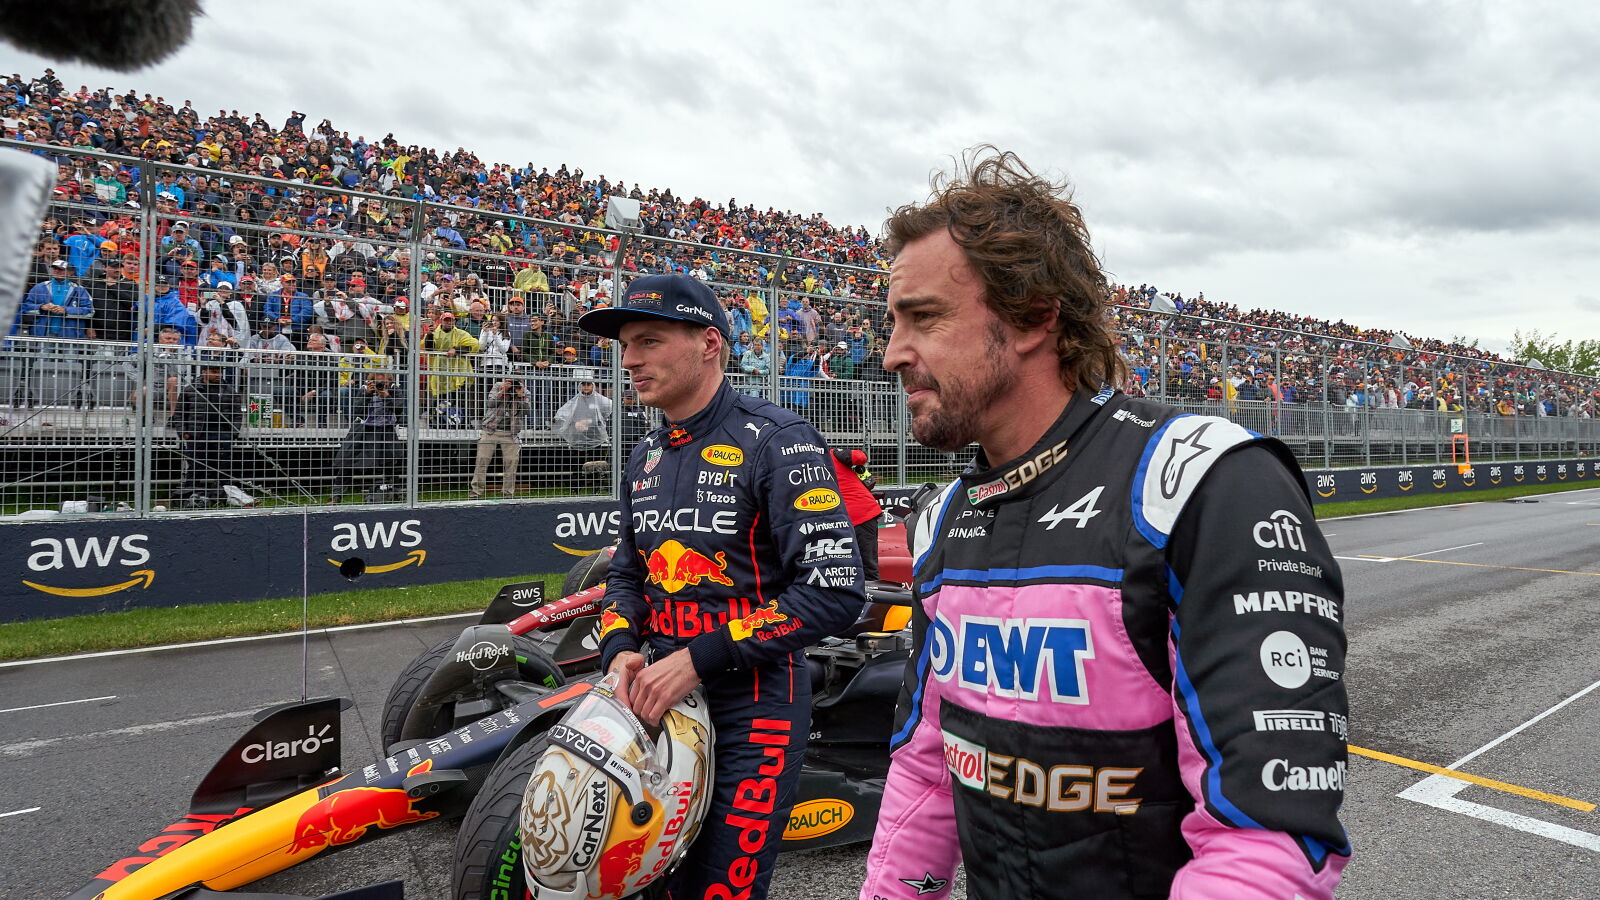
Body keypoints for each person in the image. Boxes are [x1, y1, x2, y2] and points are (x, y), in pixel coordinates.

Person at [859, 151, 1349, 900]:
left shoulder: (1199, 482)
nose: (892, 352)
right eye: (893, 322)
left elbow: (1266, 839)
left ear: (1033, 316)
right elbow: (927, 771)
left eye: (923, 317)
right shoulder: (944, 520)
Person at [577, 273, 866, 900]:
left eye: (649, 341)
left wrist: (697, 659)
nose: (629, 361)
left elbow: (835, 591)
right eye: (625, 346)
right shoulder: (645, 455)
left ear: (709, 343)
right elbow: (626, 573)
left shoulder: (780, 439)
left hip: (754, 707)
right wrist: (619, 649)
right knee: (640, 880)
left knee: (719, 888)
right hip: (656, 698)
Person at [170, 358, 242, 508]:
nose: (218, 375)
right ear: (204, 372)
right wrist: (184, 433)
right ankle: (189, 497)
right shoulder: (190, 390)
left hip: (222, 434)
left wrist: (233, 432)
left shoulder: (229, 390)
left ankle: (223, 497)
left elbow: (237, 413)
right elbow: (180, 413)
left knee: (223, 468)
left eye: (219, 372)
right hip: (198, 435)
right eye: (214, 372)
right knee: (196, 467)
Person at [330, 370, 406, 503]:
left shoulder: (395, 390)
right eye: (376, 381)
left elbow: (399, 409)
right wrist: (367, 394)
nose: (380, 384)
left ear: (389, 381)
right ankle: (336, 495)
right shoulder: (364, 389)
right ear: (371, 381)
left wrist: (386, 396)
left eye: (383, 381)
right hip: (363, 429)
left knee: (390, 462)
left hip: (385, 430)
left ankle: (396, 492)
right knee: (348, 460)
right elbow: (357, 411)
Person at [471, 376, 529, 499]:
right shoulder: (498, 386)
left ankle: (508, 493)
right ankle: (476, 492)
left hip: (511, 433)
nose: (514, 384)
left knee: (511, 462)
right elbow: (490, 403)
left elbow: (526, 411)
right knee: (482, 460)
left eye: (517, 381)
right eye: (511, 381)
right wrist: (503, 391)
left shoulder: (524, 391)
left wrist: (520, 396)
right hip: (490, 430)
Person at [829, 447, 882, 581]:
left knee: (866, 567)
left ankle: (871, 593)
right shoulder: (831, 455)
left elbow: (859, 457)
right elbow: (860, 457)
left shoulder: (831, 455)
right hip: (846, 518)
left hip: (859, 516)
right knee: (859, 566)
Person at [550, 373, 613, 448]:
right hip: (578, 434)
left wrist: (588, 421)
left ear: (593, 386)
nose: (586, 387)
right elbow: (563, 413)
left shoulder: (600, 399)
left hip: (595, 433)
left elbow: (610, 407)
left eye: (588, 384)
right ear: (580, 386)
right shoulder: (575, 400)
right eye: (583, 385)